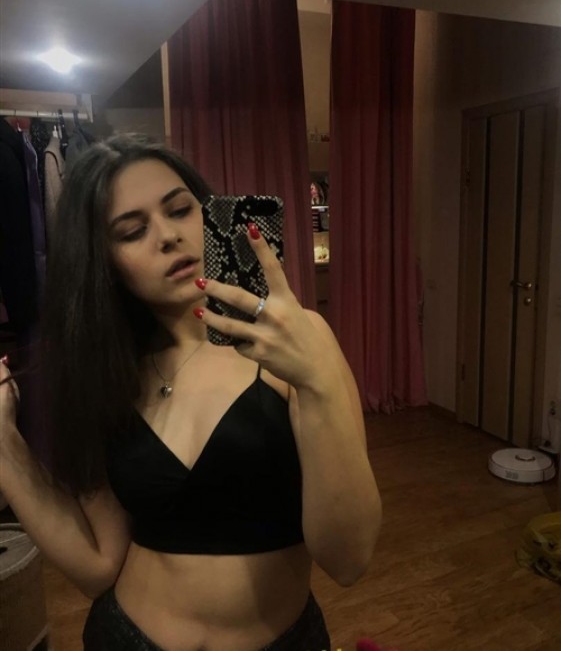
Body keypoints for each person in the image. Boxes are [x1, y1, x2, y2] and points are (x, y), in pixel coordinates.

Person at [0, 134, 382, 651]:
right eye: (132, 231)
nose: (168, 236)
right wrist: (4, 444)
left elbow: (349, 559)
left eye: (180, 210)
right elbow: (97, 568)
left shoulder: (299, 343)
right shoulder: (106, 375)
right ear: (104, 263)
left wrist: (318, 382)